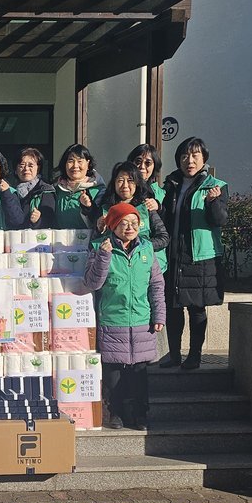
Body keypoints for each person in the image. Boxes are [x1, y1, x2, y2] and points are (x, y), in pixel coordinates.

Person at [83, 201, 166, 430]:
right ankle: (115, 412)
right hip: (113, 320)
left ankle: (140, 414)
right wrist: (104, 256)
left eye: (134, 223)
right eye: (123, 223)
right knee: (114, 374)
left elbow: (156, 285)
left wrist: (159, 315)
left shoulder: (146, 249)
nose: (129, 227)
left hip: (141, 320)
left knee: (139, 373)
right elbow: (92, 283)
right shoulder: (100, 246)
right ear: (112, 225)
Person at [159, 136, 228, 371]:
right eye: (184, 156)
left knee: (196, 308)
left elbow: (220, 220)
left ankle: (195, 355)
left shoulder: (216, 186)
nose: (189, 161)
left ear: (204, 159)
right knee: (172, 307)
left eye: (195, 155)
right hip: (172, 254)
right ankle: (174, 355)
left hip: (199, 256)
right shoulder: (171, 185)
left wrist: (212, 202)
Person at [99, 160, 169, 272]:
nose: (125, 185)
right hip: (116, 270)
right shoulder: (105, 209)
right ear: (114, 183)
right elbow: (95, 242)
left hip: (145, 269)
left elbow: (163, 238)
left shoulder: (146, 207)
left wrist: (138, 246)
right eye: (120, 180)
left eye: (130, 181)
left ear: (137, 183)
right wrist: (99, 230)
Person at [50, 143, 105, 229]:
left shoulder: (98, 190)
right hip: (60, 237)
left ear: (88, 163)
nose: (75, 166)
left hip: (88, 237)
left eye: (80, 161)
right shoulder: (55, 189)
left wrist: (89, 207)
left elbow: (103, 222)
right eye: (71, 161)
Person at [14, 147, 57, 227]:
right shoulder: (11, 192)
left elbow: (50, 221)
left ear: (38, 168)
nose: (26, 169)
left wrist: (38, 220)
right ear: (16, 170)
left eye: (31, 165)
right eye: (22, 165)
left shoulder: (45, 191)